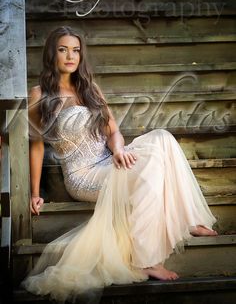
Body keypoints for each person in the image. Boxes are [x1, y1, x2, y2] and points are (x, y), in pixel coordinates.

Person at [22, 26, 218, 303]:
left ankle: (186, 219)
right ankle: (147, 259)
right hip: (82, 175)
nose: (70, 56)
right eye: (63, 49)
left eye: (75, 50)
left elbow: (113, 130)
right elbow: (37, 145)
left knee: (162, 138)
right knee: (151, 171)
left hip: (108, 160)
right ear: (52, 53)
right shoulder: (39, 94)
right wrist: (33, 192)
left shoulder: (90, 88)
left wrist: (117, 150)